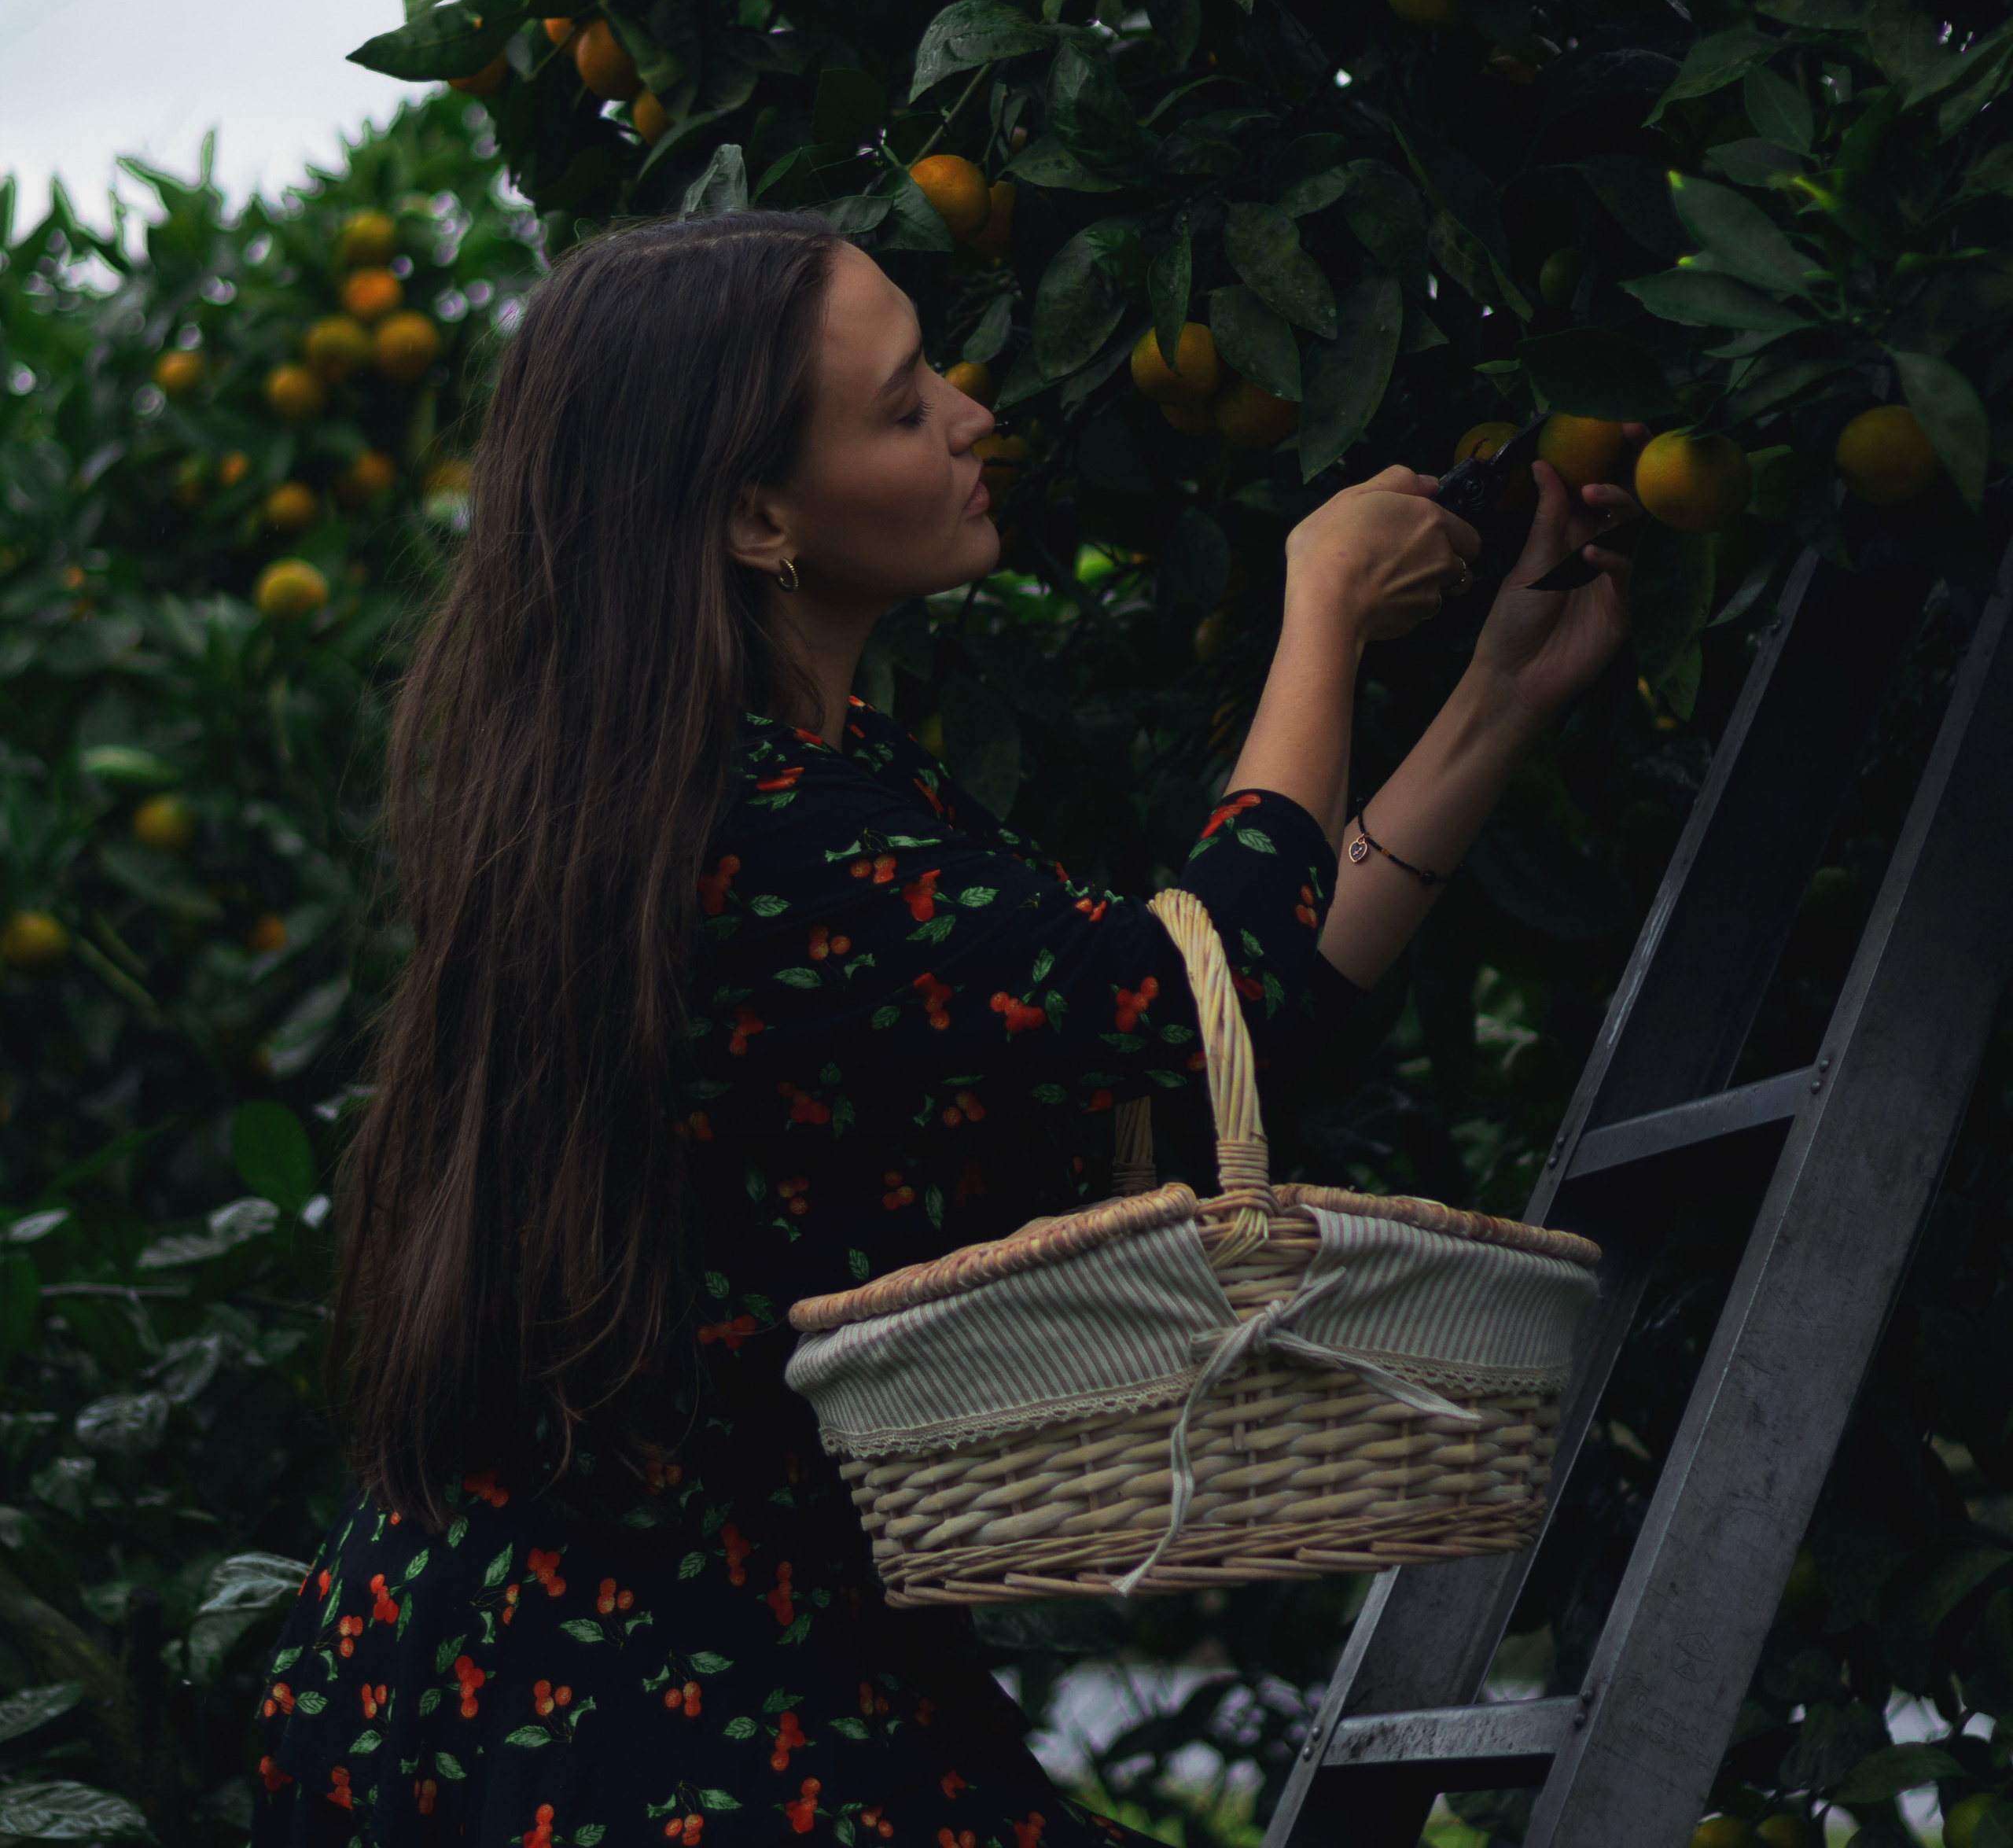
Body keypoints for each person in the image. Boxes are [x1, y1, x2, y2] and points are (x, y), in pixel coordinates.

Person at [250, 211, 1636, 1846]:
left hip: (671, 1666)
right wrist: (1317, 608)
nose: (976, 414)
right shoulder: (750, 836)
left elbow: (1199, 1042)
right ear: (759, 516)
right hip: (643, 1706)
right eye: (904, 406)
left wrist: (1492, 699)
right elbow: (1196, 1006)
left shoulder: (806, 795)